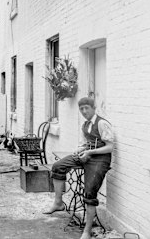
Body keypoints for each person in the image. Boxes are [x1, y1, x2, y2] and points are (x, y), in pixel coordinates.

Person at [43, 97, 114, 239]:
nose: (84, 111)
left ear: (94, 108)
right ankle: (58, 203)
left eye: (87, 108)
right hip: (87, 155)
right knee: (58, 166)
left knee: (89, 192)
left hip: (100, 159)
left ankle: (87, 231)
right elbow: (85, 143)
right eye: (81, 109)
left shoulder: (102, 123)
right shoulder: (85, 125)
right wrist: (80, 149)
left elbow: (110, 147)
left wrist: (90, 152)